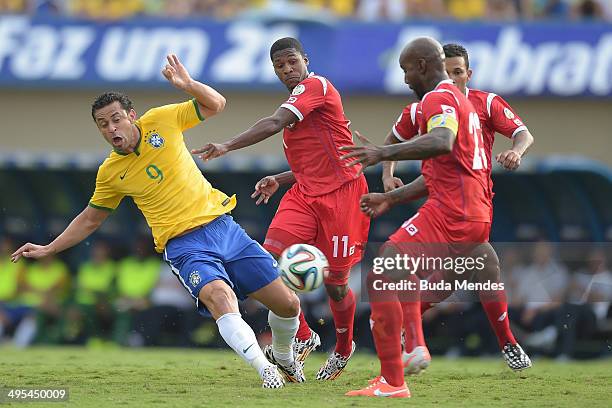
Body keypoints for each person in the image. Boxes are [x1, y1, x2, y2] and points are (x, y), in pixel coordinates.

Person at [11, 54, 302, 389]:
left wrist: (188, 85)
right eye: (103, 124)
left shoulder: (162, 119)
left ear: (131, 116)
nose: (111, 128)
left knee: (288, 304)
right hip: (184, 245)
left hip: (224, 228)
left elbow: (216, 104)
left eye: (116, 119)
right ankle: (264, 368)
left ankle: (284, 357)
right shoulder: (110, 173)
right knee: (221, 298)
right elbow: (90, 219)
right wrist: (50, 247)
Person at [192, 37, 370, 380]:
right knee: (267, 261)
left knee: (335, 282)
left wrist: (228, 144)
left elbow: (274, 123)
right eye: (279, 66)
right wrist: (283, 177)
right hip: (305, 192)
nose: (287, 70)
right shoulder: (298, 99)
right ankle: (304, 336)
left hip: (343, 195)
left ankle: (344, 348)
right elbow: (321, 159)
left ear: (305, 59)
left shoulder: (316, 85)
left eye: (292, 62)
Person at [341, 37, 495, 398]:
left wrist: (382, 153)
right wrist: (392, 197)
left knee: (380, 273)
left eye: (406, 70)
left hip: (452, 212)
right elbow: (441, 171)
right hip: (473, 213)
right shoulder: (461, 101)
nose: (406, 79)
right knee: (393, 269)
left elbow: (440, 141)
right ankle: (412, 347)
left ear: (422, 66)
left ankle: (397, 375)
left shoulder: (438, 99)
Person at [371, 42, 533, 373]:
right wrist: (388, 181)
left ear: (467, 73)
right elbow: (399, 145)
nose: (455, 77)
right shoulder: (429, 106)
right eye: (450, 71)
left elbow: (521, 133)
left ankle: (415, 347)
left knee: (394, 264)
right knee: (448, 279)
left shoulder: (472, 102)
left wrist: (517, 151)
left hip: (465, 203)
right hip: (466, 205)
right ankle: (414, 338)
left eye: (459, 72)